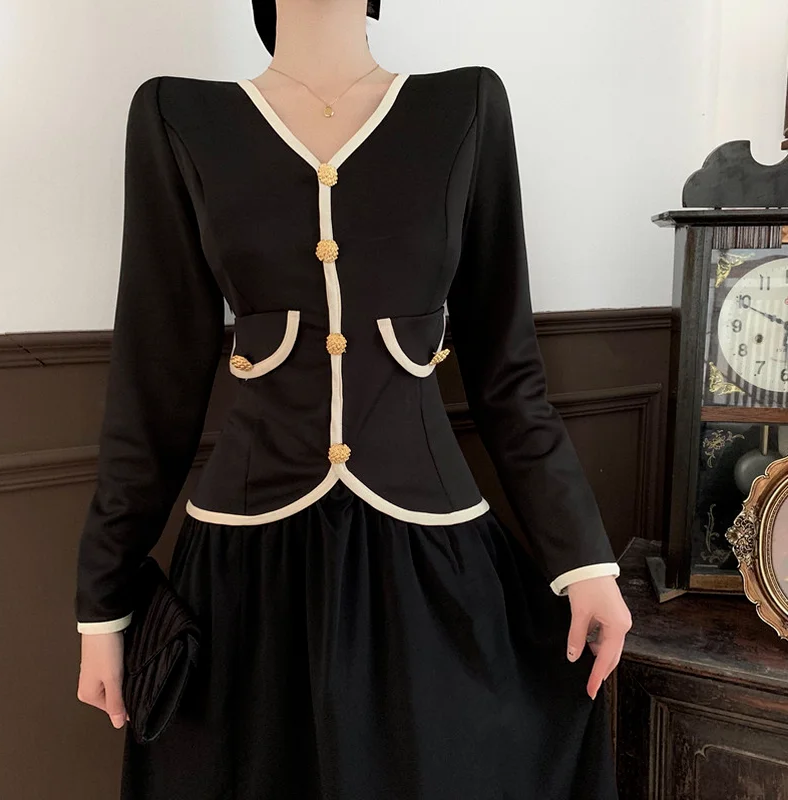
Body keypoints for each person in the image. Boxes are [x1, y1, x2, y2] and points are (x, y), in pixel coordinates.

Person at [75, 0, 633, 797]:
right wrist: (103, 606)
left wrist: (584, 561)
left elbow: (509, 377)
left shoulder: (465, 107)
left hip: (429, 569)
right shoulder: (176, 117)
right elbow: (152, 390)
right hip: (248, 578)